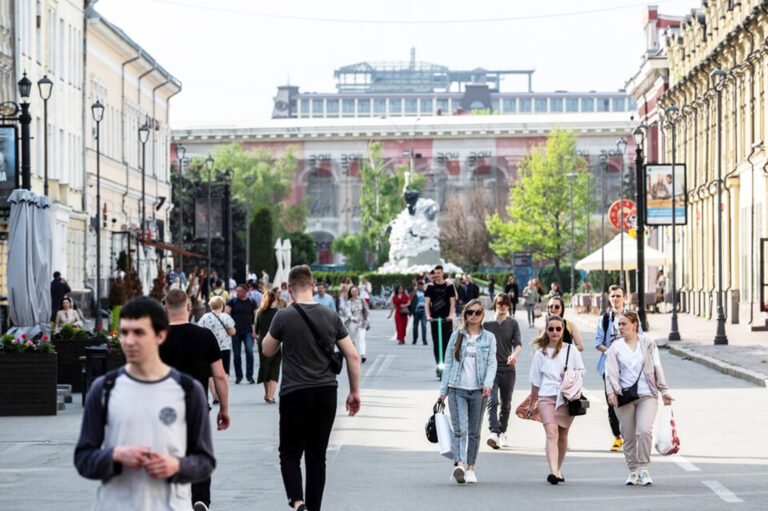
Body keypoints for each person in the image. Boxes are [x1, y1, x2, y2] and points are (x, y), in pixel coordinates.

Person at [74, 297, 215, 511]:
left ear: (161, 335)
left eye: (139, 333)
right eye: (124, 332)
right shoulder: (105, 389)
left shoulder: (188, 390)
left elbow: (205, 462)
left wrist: (176, 465)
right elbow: (83, 458)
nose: (129, 341)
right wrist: (114, 455)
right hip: (115, 504)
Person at [261, 265, 361, 511]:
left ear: (289, 289)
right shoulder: (330, 315)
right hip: (326, 391)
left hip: (295, 392)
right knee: (317, 456)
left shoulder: (283, 316)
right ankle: (313, 508)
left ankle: (298, 502)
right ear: (313, 286)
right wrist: (354, 392)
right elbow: (352, 356)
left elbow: (267, 349)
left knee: (290, 453)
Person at [161, 289, 230, 511]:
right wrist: (224, 409)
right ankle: (200, 498)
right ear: (189, 308)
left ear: (165, 309)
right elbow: (219, 375)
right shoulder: (205, 336)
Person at [605, 312, 673, 486]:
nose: (620, 327)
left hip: (647, 394)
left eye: (623, 324)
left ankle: (643, 469)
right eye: (618, 325)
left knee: (643, 431)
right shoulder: (615, 347)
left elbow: (658, 367)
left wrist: (664, 391)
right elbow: (609, 373)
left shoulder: (648, 344)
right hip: (623, 396)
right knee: (627, 435)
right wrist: (611, 392)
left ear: (634, 324)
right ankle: (632, 470)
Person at [438, 299, 497, 485]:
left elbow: (491, 363)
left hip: (479, 390)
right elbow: (448, 364)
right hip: (457, 389)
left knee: (474, 432)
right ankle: (460, 465)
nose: (473, 316)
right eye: (469, 312)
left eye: (477, 312)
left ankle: (471, 468)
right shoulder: (456, 336)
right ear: (465, 315)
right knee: (460, 429)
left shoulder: (489, 338)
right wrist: (443, 391)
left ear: (482, 315)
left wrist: (488, 383)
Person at [528, 314, 585, 485]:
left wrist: (568, 375)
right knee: (551, 433)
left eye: (558, 329)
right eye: (551, 329)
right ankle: (553, 471)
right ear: (546, 330)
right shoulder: (540, 354)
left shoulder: (571, 350)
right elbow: (535, 381)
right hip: (547, 396)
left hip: (567, 397)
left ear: (563, 330)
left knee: (562, 434)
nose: (554, 332)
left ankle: (558, 469)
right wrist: (532, 403)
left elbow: (582, 371)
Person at [595, 284, 639, 452]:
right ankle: (617, 437)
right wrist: (612, 353)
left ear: (624, 298)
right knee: (612, 401)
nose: (615, 299)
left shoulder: (632, 317)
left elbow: (639, 338)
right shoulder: (604, 319)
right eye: (612, 296)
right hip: (608, 367)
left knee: (630, 400)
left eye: (618, 296)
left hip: (629, 367)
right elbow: (598, 342)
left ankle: (630, 434)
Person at [484, 293, 521, 450]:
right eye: (500, 303)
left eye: (506, 303)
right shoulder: (486, 324)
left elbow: (518, 344)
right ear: (495, 305)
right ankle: (494, 432)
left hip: (508, 369)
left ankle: (502, 432)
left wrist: (514, 355)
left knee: (506, 403)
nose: (503, 306)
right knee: (493, 401)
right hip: (491, 369)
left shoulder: (513, 324)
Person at [425, 265, 458, 376]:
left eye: (439, 273)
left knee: (447, 344)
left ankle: (446, 365)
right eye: (435, 273)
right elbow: (427, 303)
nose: (436, 275)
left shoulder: (449, 286)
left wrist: (450, 315)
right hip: (434, 320)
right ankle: (438, 366)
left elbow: (453, 302)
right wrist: (428, 316)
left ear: (442, 273)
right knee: (436, 343)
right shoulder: (430, 287)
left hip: (446, 319)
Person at [226, 284, 258, 384]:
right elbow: (226, 315)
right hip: (235, 332)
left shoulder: (251, 302)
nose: (237, 293)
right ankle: (238, 376)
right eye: (237, 291)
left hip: (248, 331)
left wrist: (255, 330)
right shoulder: (232, 301)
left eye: (239, 291)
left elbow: (256, 317)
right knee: (236, 355)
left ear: (245, 291)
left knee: (250, 353)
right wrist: (229, 328)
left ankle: (250, 376)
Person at [197, 296, 236, 376]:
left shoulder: (205, 317)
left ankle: (213, 389)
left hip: (210, 347)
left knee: (211, 373)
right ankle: (224, 388)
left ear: (211, 306)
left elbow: (199, 331)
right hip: (224, 347)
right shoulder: (226, 317)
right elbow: (232, 332)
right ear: (222, 305)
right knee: (224, 371)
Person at [256, 290, 281, 404]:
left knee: (265, 367)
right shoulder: (277, 313)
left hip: (262, 342)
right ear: (274, 299)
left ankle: (266, 394)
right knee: (274, 368)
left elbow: (256, 330)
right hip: (275, 342)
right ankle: (271, 395)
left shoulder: (259, 313)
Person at [342, 286, 369, 363]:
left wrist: (367, 321)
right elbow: (348, 312)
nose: (354, 292)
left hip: (361, 322)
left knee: (361, 338)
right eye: (352, 291)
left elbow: (366, 311)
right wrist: (353, 318)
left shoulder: (362, 301)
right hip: (352, 323)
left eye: (356, 291)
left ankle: (363, 355)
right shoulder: (348, 302)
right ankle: (354, 354)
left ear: (358, 292)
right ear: (350, 292)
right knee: (352, 339)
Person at [410, 280, 428, 346]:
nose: (420, 286)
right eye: (419, 285)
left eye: (421, 285)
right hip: (416, 310)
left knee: (424, 325)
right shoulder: (415, 292)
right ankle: (414, 339)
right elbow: (410, 299)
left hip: (424, 310)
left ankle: (424, 340)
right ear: (417, 285)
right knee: (415, 326)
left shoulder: (426, 292)